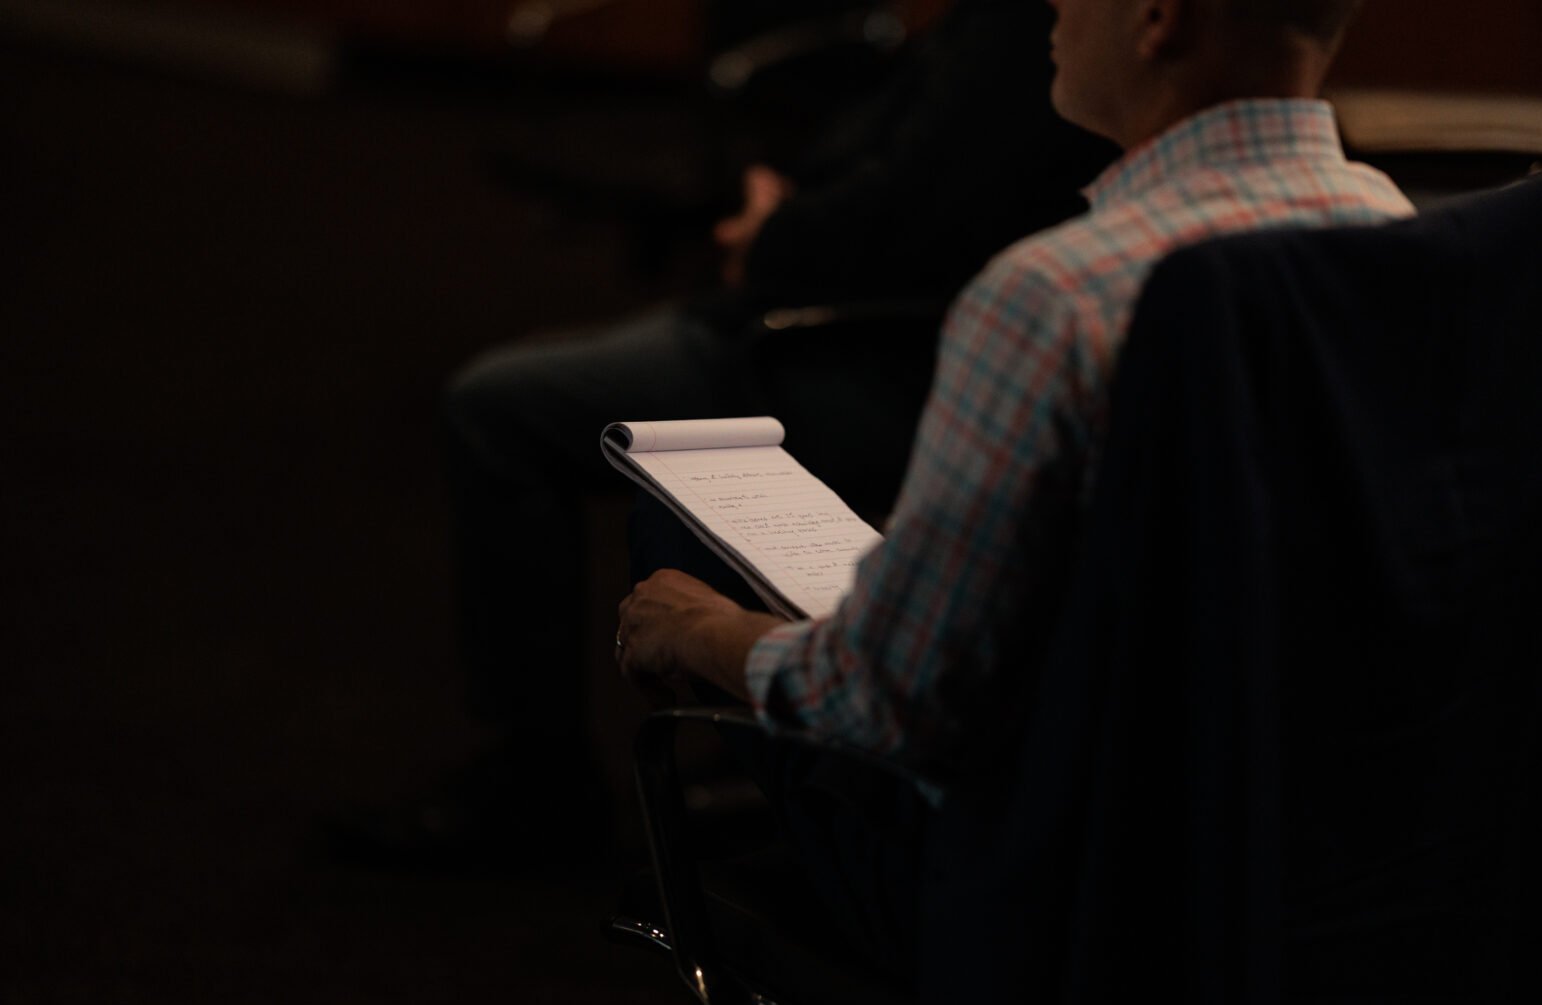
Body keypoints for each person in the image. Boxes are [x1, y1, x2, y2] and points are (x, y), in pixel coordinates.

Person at [333, 0, 1118, 868]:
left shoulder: (1043, 65)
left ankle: (540, 786)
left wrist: (772, 233)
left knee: (497, 410)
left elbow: (928, 215)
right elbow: (899, 152)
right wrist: (780, 196)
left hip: (857, 344)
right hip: (837, 296)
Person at [616, 0, 1416, 780]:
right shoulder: (1401, 233)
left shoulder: (1057, 295)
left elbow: (884, 697)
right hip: (1337, 823)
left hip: (1076, 858)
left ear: (1158, 18)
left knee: (671, 525)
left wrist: (709, 631)